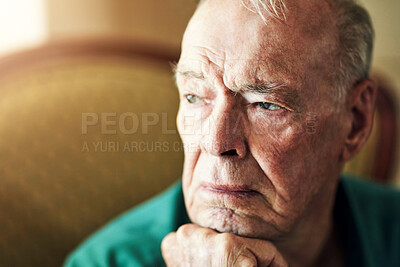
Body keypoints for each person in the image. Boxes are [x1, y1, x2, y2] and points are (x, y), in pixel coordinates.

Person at [65, 0, 400, 266]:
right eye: (195, 96)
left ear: (354, 121)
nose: (215, 142)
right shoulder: (105, 262)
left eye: (266, 104)